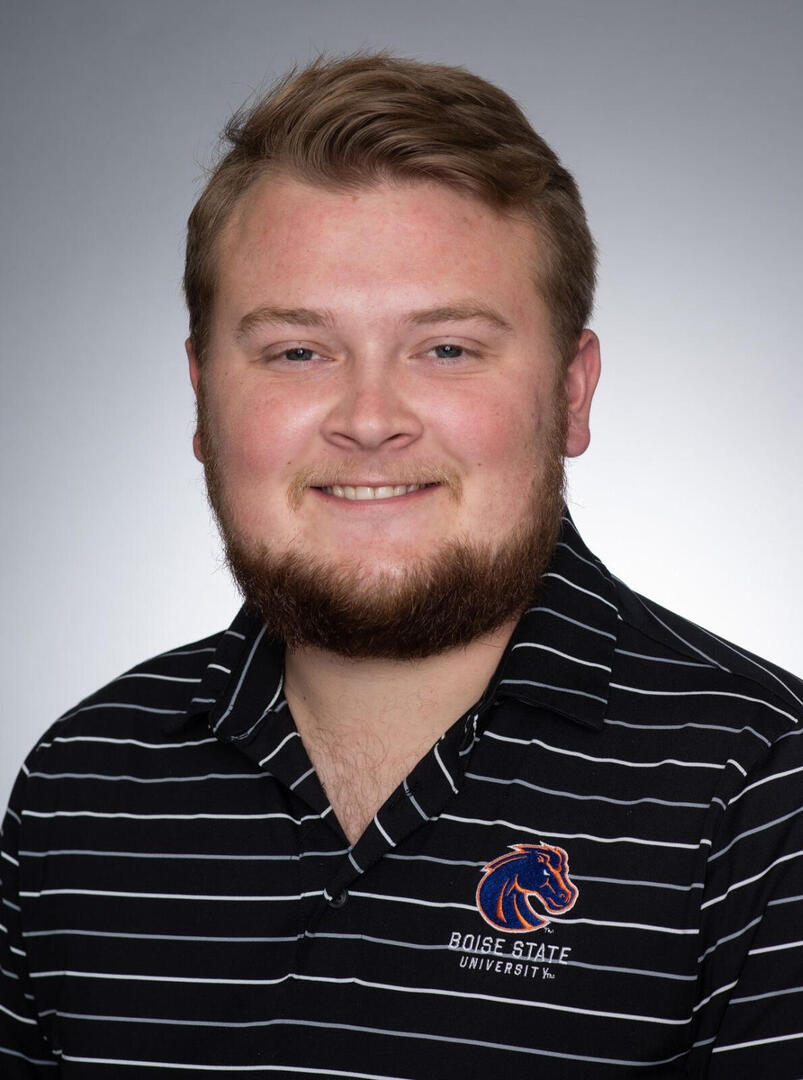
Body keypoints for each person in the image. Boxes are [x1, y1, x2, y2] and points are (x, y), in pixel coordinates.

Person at [1, 52, 801, 1079]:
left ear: (571, 393)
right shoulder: (83, 781)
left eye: (447, 349)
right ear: (202, 397)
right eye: (297, 351)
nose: (370, 420)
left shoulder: (764, 790)